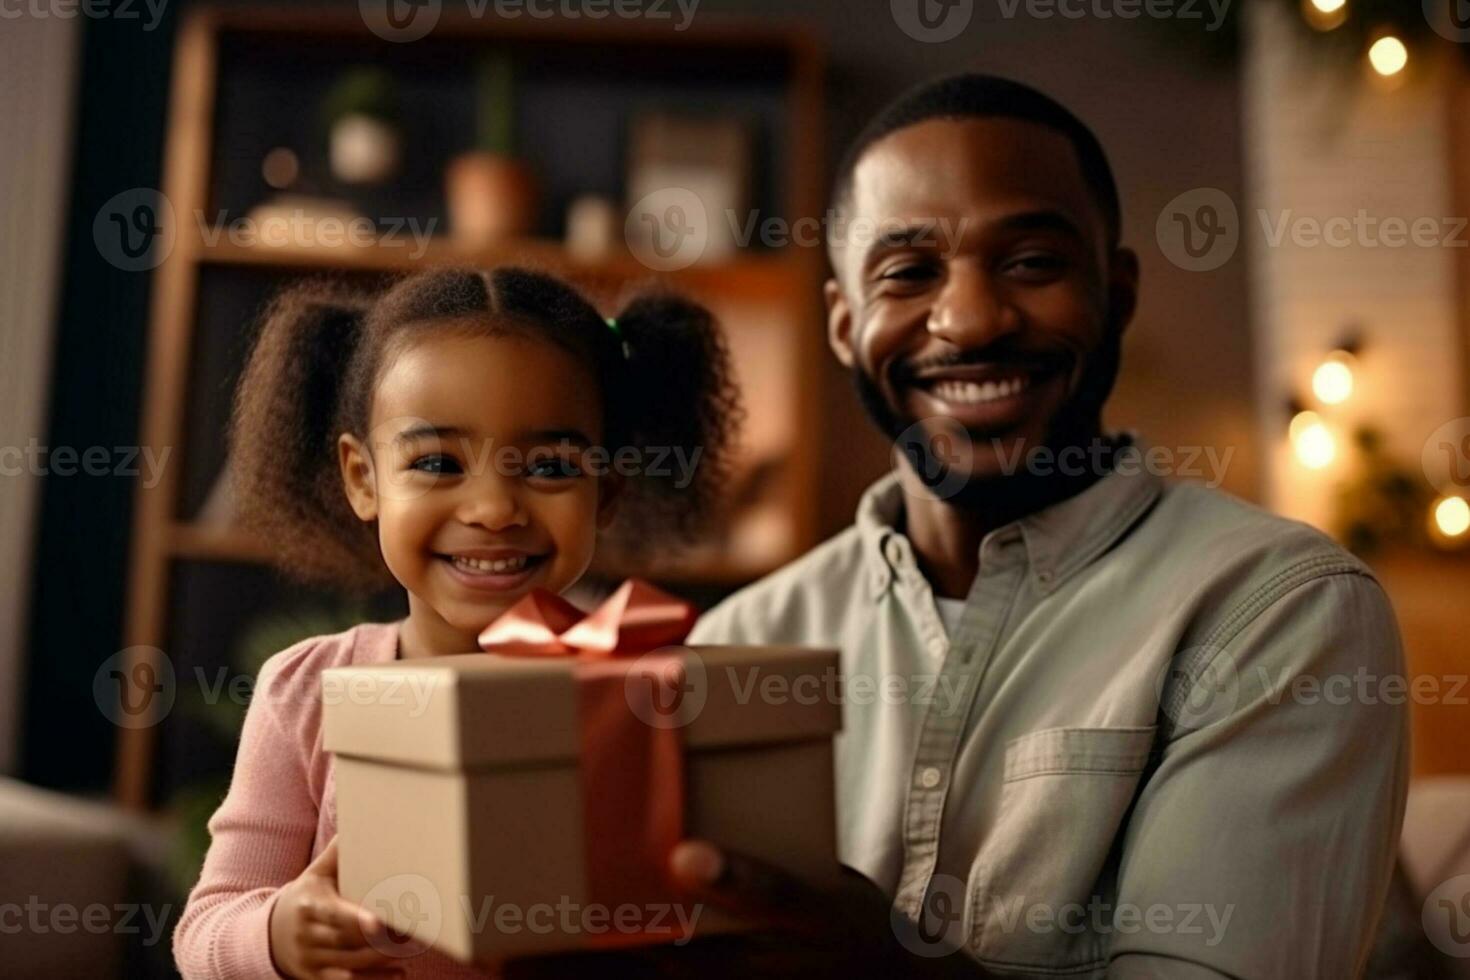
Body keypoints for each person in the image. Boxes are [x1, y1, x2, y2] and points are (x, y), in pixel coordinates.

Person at [674, 73, 1409, 978]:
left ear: (1119, 292)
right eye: (908, 272)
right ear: (841, 322)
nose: (971, 319)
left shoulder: (1279, 612)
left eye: (1031, 263)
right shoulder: (735, 643)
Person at [172, 266, 740, 980]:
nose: (494, 508)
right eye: (438, 461)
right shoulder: (308, 690)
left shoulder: (645, 689)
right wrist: (280, 933)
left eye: (551, 465)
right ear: (362, 478)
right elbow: (205, 929)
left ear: (608, 490)